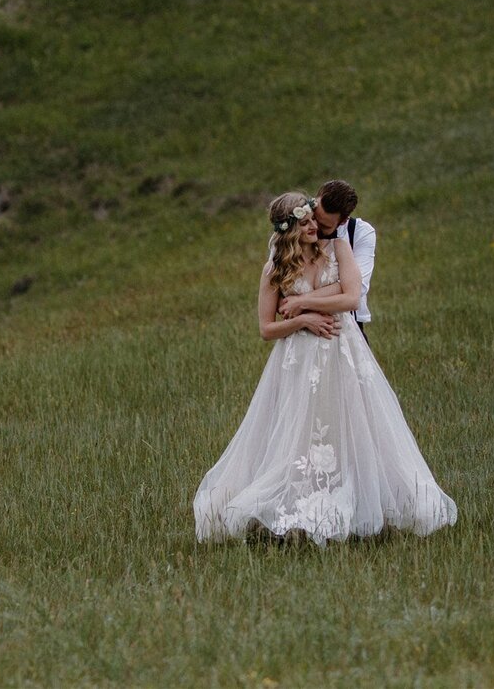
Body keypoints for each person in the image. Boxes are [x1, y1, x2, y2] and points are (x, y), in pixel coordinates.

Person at [193, 190, 457, 546]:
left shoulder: (337, 249)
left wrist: (301, 303)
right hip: (299, 359)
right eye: (305, 224)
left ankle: (368, 501)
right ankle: (294, 507)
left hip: (344, 350)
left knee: (353, 423)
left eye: (313, 220)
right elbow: (267, 328)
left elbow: (350, 297)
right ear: (290, 230)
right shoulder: (275, 268)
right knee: (301, 429)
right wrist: (304, 323)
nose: (314, 227)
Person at [284, 180, 375, 342]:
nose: (314, 227)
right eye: (314, 217)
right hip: (299, 332)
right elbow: (278, 285)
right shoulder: (291, 232)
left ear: (342, 222)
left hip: (347, 328)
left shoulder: (360, 233)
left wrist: (301, 301)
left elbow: (358, 287)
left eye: (324, 225)